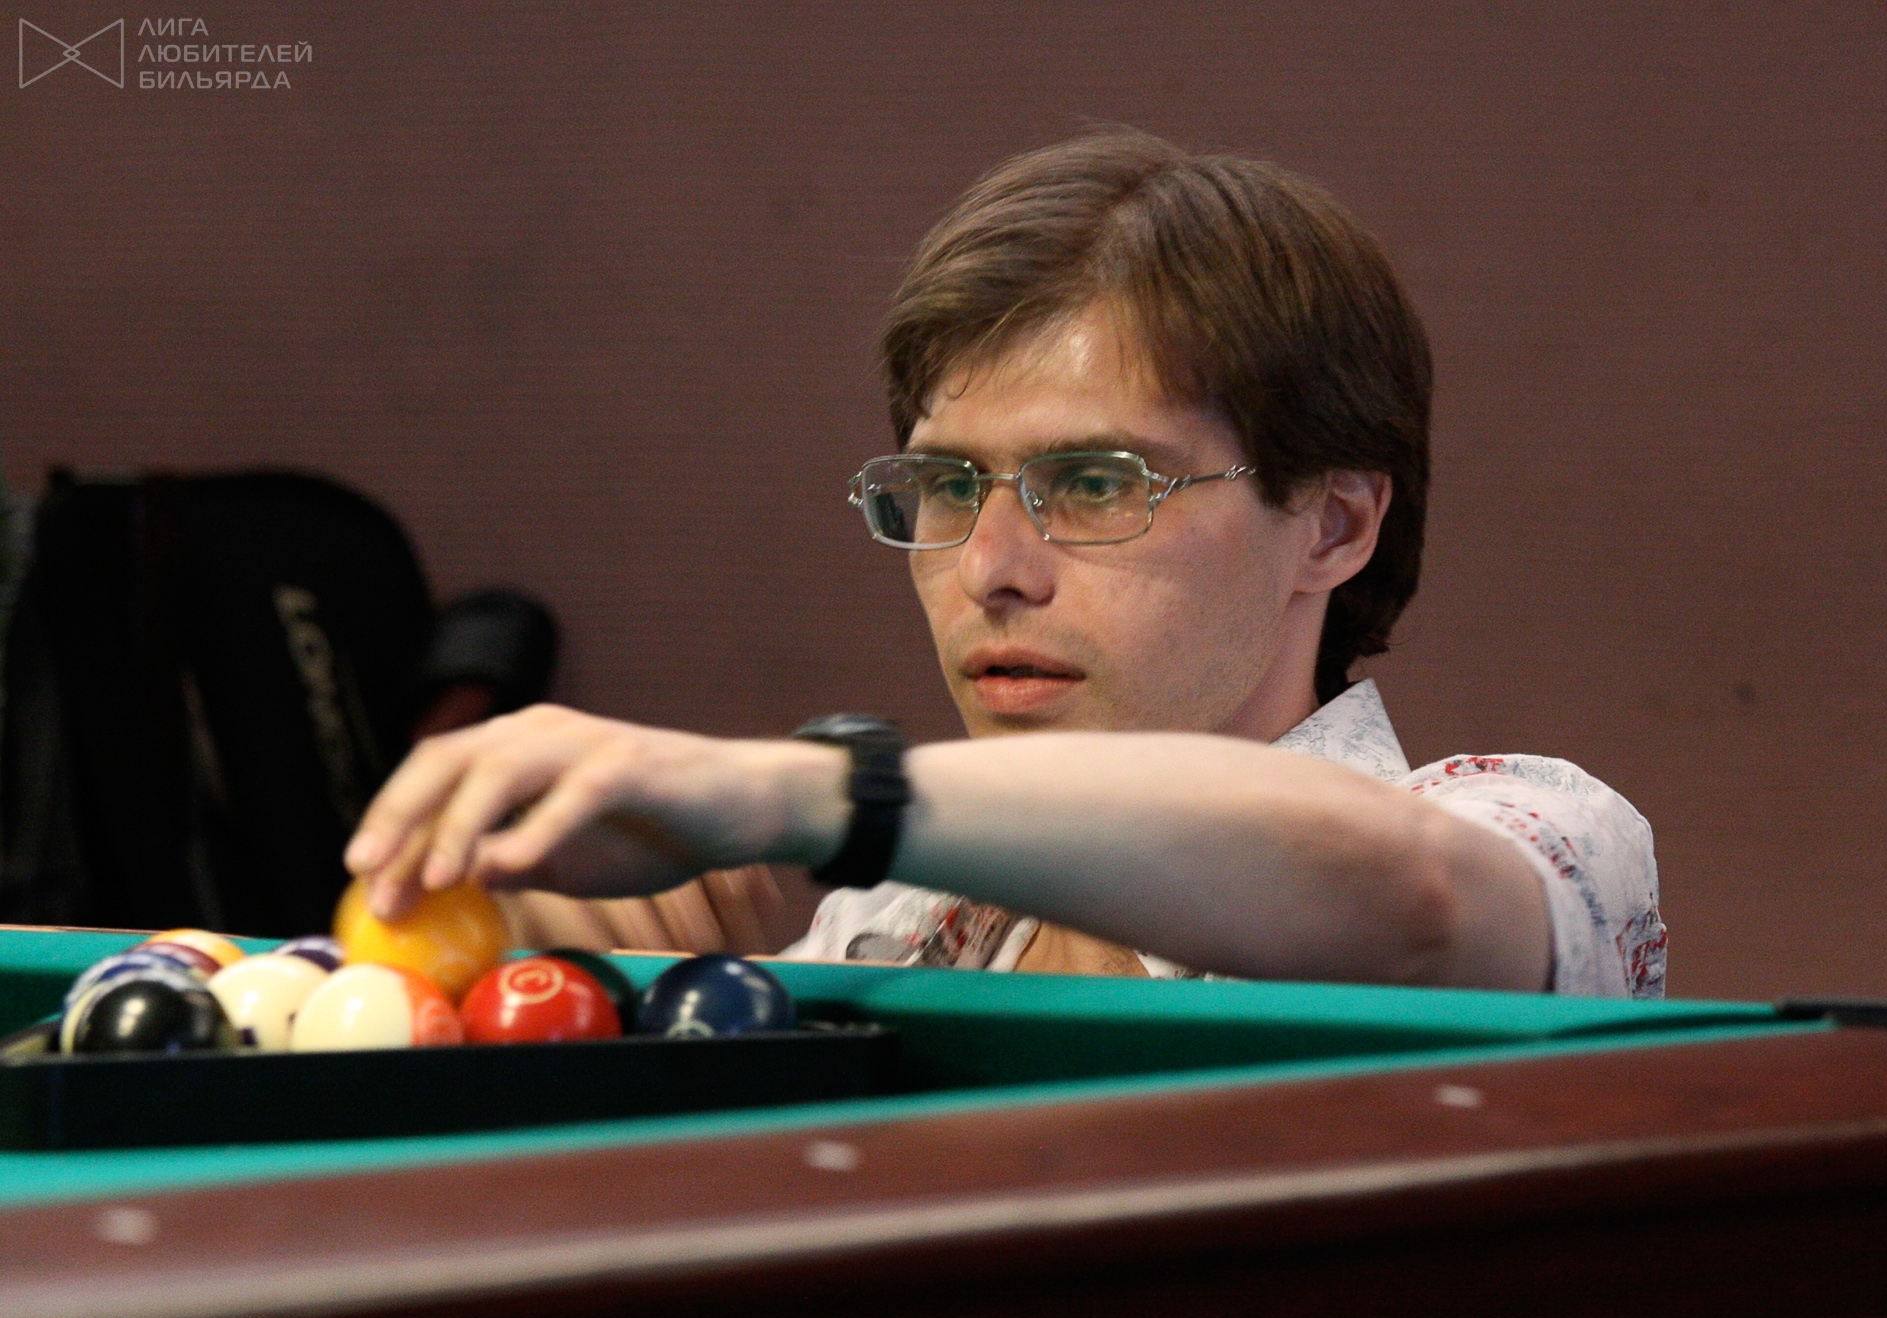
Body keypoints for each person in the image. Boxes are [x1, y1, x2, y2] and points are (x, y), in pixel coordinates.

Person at [346, 130, 1664, 997]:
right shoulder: (896, 920)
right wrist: (537, 980)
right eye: (947, 485)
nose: (991, 568)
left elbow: (1409, 896)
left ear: (1333, 526)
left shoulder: (1543, 829)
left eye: (1093, 484)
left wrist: (807, 792)